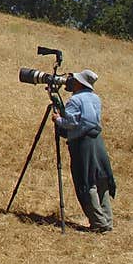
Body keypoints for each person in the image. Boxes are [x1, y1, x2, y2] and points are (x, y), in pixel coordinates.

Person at [51, 69, 116, 233]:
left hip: (82, 143)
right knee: (101, 179)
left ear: (80, 83)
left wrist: (57, 119)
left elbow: (71, 122)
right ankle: (107, 221)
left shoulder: (75, 100)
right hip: (97, 140)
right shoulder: (96, 98)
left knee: (86, 182)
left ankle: (98, 223)